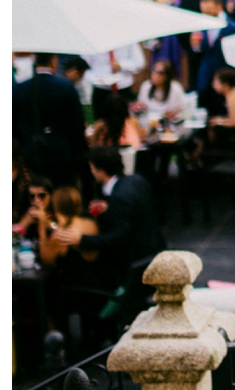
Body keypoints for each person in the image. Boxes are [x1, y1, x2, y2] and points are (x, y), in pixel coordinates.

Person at [54, 142, 163, 284]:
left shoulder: (119, 197)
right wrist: (110, 207)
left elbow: (120, 236)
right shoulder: (137, 180)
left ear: (101, 171)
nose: (91, 172)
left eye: (92, 168)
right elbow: (137, 212)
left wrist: (83, 240)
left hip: (133, 264)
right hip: (154, 250)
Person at [13, 54, 87, 182]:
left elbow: (13, 125)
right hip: (61, 154)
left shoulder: (20, 89)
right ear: (54, 61)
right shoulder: (67, 88)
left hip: (30, 152)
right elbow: (77, 126)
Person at [133, 59, 190, 128]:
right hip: (149, 125)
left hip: (171, 126)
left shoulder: (175, 89)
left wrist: (173, 115)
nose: (154, 74)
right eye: (153, 70)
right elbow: (140, 108)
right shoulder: (146, 86)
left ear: (166, 76)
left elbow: (182, 111)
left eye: (159, 72)